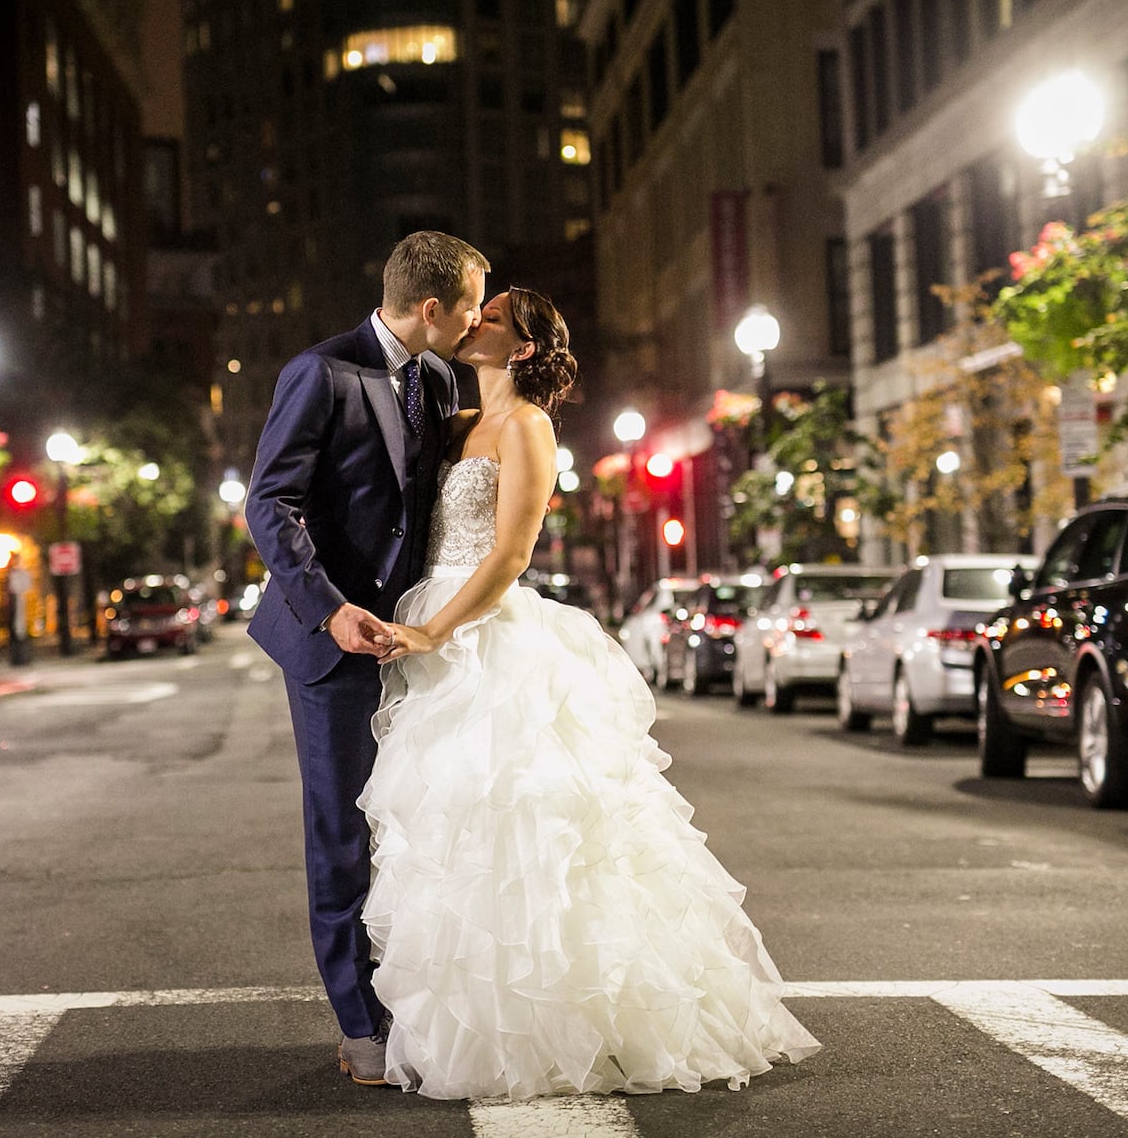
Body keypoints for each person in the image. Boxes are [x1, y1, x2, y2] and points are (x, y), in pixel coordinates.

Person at [362, 287, 819, 1099]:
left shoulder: (528, 428)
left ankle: (573, 1019)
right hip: (427, 626)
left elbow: (509, 555)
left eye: (494, 318)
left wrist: (438, 631)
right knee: (459, 836)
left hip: (484, 634)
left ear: (525, 350)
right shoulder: (457, 422)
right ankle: (484, 1021)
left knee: (537, 830)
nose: (476, 322)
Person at [245, 231, 489, 1086]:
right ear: (432, 307)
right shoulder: (322, 371)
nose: (474, 322)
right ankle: (362, 1028)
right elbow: (269, 504)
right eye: (469, 306)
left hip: (413, 642)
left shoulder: (439, 379)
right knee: (343, 833)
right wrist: (331, 609)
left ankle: (420, 1004)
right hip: (332, 643)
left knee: (415, 829)